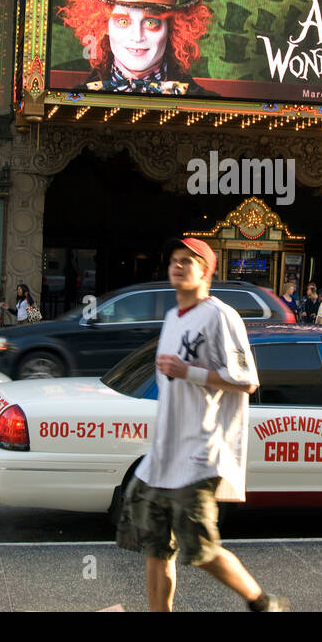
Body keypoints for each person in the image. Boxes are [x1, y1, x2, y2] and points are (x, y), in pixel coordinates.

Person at [116, 236, 287, 612]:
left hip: (200, 453)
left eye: (188, 261)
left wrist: (189, 372)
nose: (178, 265)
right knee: (155, 548)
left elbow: (246, 379)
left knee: (201, 549)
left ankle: (262, 602)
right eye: (174, 259)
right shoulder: (172, 318)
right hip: (163, 456)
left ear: (206, 271)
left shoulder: (220, 315)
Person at [58, 0, 215, 96]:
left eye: (151, 22)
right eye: (123, 21)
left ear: (172, 29)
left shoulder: (207, 102)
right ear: (104, 25)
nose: (137, 37)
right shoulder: (77, 97)